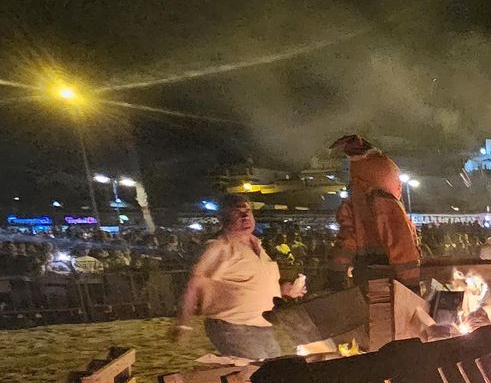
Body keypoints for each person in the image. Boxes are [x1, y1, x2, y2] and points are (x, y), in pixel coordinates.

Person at [173, 194, 304, 360]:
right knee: (258, 369)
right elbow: (194, 284)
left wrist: (284, 290)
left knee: (276, 368)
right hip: (232, 327)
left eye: (248, 211)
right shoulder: (219, 247)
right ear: (223, 218)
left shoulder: (258, 245)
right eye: (237, 212)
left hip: (263, 325)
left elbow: (251, 284)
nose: (245, 216)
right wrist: (183, 323)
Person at [327, 134, 421, 289]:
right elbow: (401, 245)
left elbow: (347, 239)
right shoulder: (384, 201)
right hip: (388, 280)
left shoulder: (354, 204)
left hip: (366, 276)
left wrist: (336, 272)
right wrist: (411, 285)